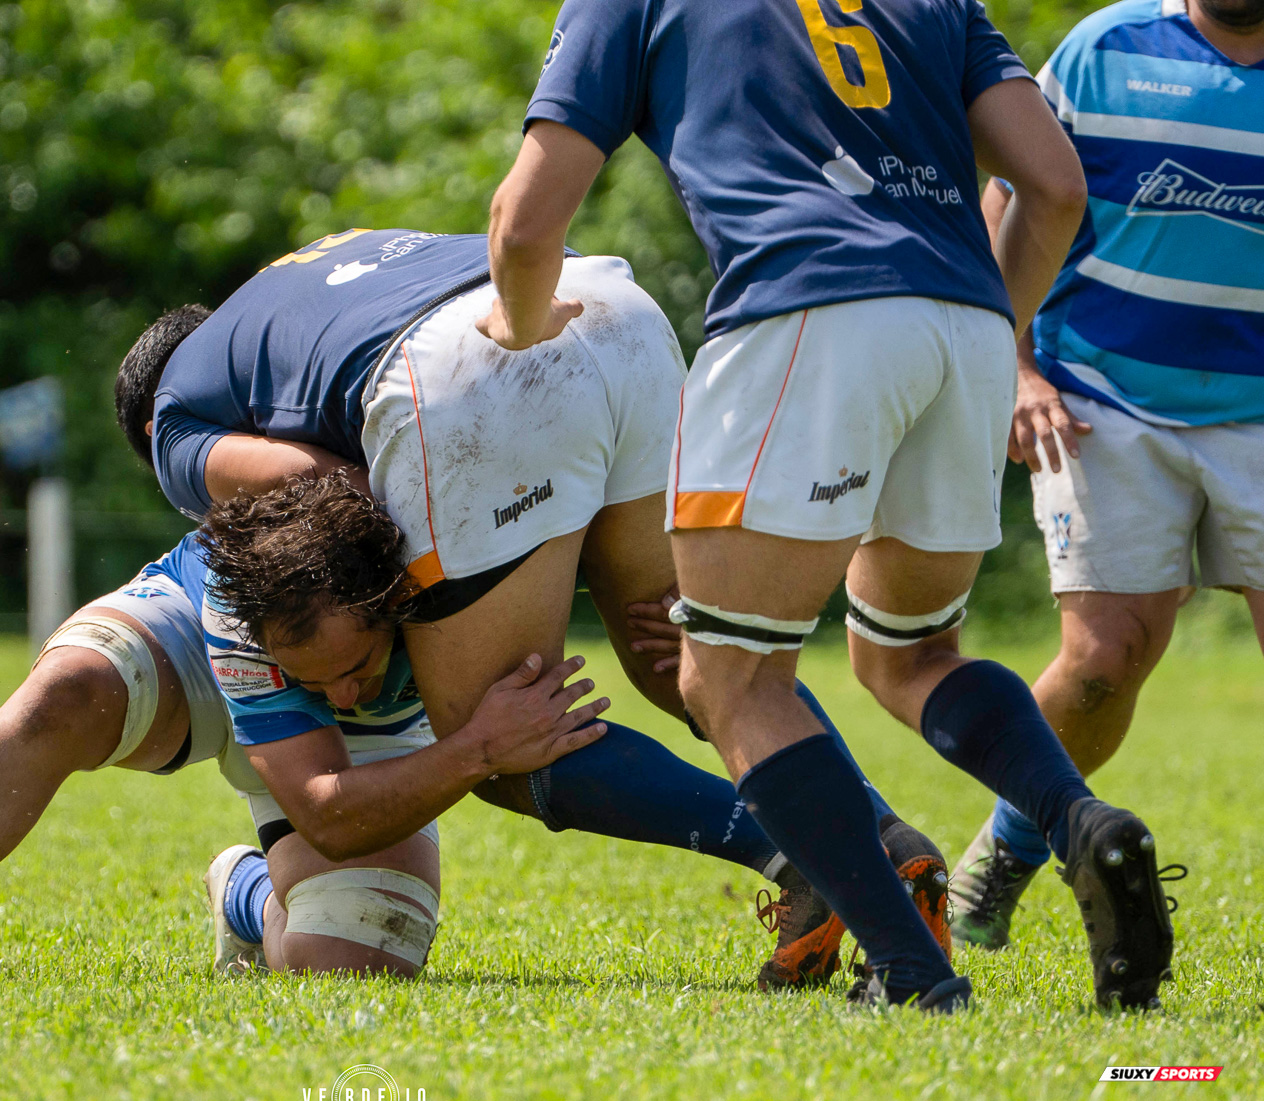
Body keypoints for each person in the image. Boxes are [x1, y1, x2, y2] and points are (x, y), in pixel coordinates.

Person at [483, 0, 1177, 1009]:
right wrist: (981, 336)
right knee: (909, 652)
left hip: (804, 314)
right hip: (965, 323)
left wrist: (523, 323)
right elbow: (1056, 185)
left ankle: (912, 971)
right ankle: (1080, 822)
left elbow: (526, 218)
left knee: (729, 679)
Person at [123, 233, 949, 988]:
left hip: (474, 371)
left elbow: (330, 492)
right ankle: (888, 839)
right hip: (607, 309)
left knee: (506, 731)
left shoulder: (177, 426)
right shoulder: (289, 290)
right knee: (692, 660)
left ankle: (819, 858)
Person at [191, 472, 950, 984]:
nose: (342, 695)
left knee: (672, 652)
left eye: (353, 667)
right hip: (230, 674)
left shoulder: (387, 514)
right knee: (338, 955)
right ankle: (247, 890)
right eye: (315, 681)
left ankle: (824, 848)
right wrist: (479, 744)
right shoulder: (236, 609)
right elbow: (329, 813)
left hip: (521, 394)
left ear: (390, 596)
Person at [0, 532, 584, 978]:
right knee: (67, 693)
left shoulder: (435, 463)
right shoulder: (277, 383)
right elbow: (171, 418)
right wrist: (478, 748)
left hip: (349, 672)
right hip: (218, 620)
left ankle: (245, 890)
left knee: (344, 965)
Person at [949, 0, 1256, 949]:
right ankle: (1007, 847)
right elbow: (1007, 200)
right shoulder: (1107, 47)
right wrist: (1014, 367)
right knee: (1102, 665)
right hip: (1101, 400)